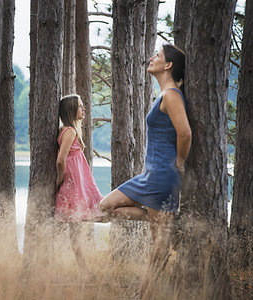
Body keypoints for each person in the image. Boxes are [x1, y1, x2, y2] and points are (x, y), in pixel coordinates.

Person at [99, 44, 191, 297]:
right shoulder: (165, 94)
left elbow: (185, 133)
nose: (152, 59)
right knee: (107, 206)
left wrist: (179, 164)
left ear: (168, 65)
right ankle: (166, 217)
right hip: (150, 176)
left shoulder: (172, 95)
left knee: (158, 246)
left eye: (158, 56)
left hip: (163, 176)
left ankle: (143, 295)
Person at [55, 94, 103, 277]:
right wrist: (60, 180)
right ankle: (85, 271)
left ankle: (84, 270)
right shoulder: (70, 131)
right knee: (76, 228)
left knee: (76, 228)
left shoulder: (69, 130)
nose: (84, 109)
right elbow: (61, 160)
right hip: (74, 185)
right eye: (80, 106)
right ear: (71, 110)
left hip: (78, 184)